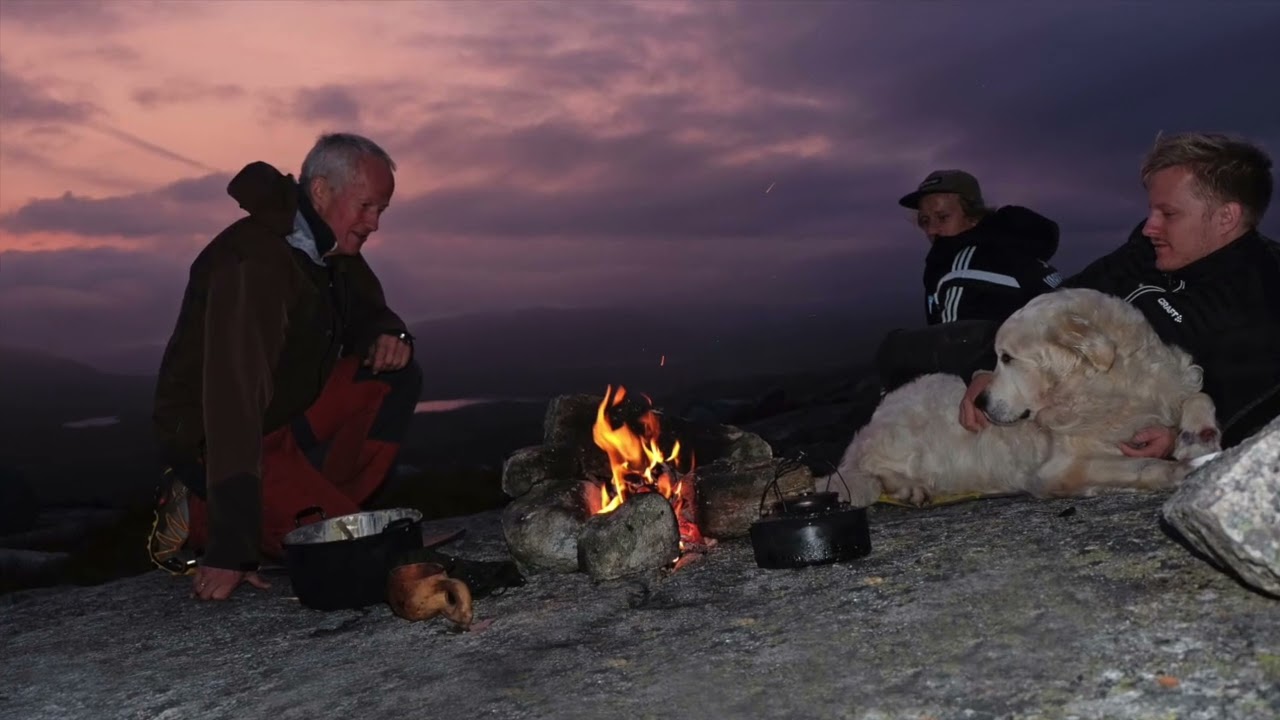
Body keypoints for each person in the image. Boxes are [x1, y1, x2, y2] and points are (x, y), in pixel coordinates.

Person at [147, 132, 423, 601]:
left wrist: (389, 334)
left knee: (393, 376)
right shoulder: (254, 262)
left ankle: (320, 507)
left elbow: (367, 310)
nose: (374, 223)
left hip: (283, 421)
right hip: (219, 439)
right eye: (367, 207)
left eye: (381, 211)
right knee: (347, 557)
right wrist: (232, 550)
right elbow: (233, 400)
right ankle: (201, 510)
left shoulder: (329, 251)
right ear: (321, 191)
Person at [959, 132, 1280, 452]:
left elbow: (1249, 411)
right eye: (1152, 211)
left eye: (1168, 214)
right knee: (941, 344)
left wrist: (1175, 437)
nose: (1149, 227)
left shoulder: (1262, 296)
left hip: (1100, 432)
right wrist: (989, 368)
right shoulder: (1144, 251)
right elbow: (1052, 307)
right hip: (1032, 385)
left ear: (1227, 217)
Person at [875, 169, 1064, 391]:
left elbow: (955, 349)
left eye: (943, 217)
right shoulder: (1011, 247)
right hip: (1057, 364)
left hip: (1023, 383)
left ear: (973, 216)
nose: (931, 230)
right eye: (925, 221)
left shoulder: (960, 269)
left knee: (894, 350)